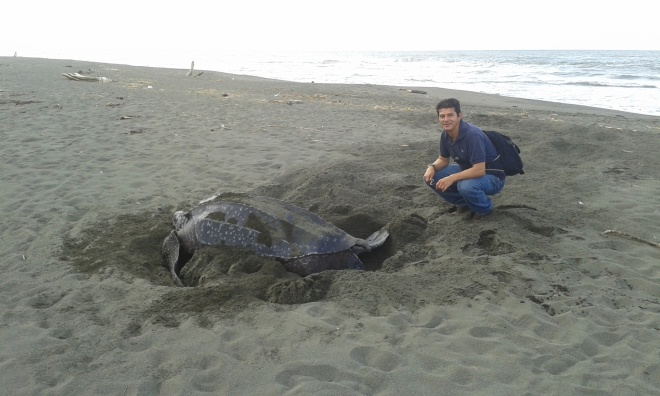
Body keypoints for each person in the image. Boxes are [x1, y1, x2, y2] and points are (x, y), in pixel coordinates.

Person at [423, 98, 505, 218]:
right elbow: (443, 159)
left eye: (450, 115)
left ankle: (484, 210)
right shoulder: (445, 134)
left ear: (459, 116)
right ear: (438, 118)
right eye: (442, 116)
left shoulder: (472, 135)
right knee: (431, 177)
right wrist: (432, 167)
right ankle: (464, 204)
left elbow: (479, 170)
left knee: (465, 186)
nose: (446, 120)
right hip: (468, 170)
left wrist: (452, 178)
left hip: (492, 176)